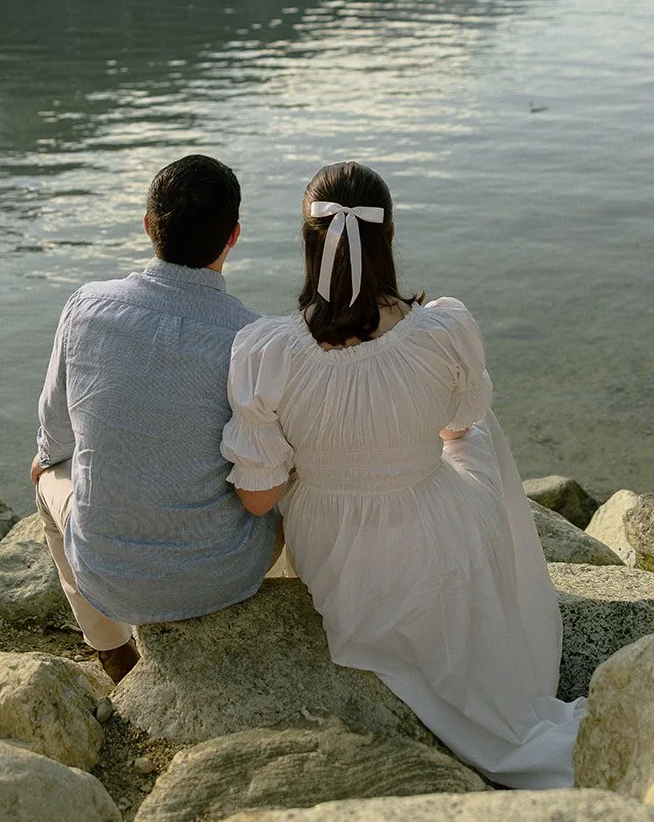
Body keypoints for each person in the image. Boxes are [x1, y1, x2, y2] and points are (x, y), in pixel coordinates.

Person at [221, 160, 585, 788]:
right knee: (478, 432)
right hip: (433, 524)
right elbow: (465, 417)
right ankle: (503, 598)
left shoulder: (267, 350)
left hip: (333, 552)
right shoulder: (442, 330)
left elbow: (258, 500)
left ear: (308, 245)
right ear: (388, 239)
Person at [34, 153, 278, 682]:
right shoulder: (256, 339)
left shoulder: (86, 307)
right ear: (233, 236)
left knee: (47, 473)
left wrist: (50, 460)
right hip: (227, 574)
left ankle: (113, 653)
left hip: (109, 578)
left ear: (148, 226)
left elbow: (54, 433)